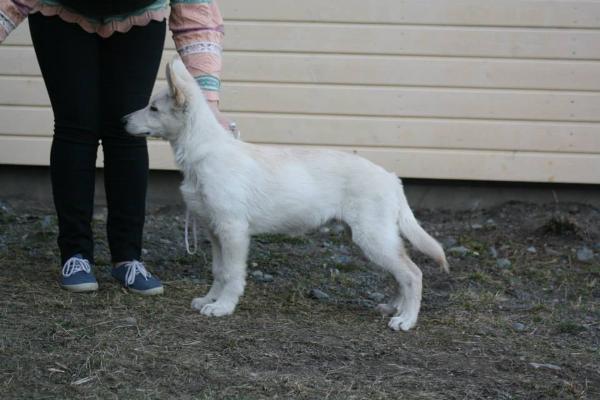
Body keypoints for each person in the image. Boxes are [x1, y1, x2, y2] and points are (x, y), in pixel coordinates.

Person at [0, 0, 229, 294]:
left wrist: (208, 101)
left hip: (141, 18)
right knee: (76, 126)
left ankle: (128, 258)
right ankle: (75, 255)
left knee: (128, 131)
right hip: (59, 13)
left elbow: (196, 11)